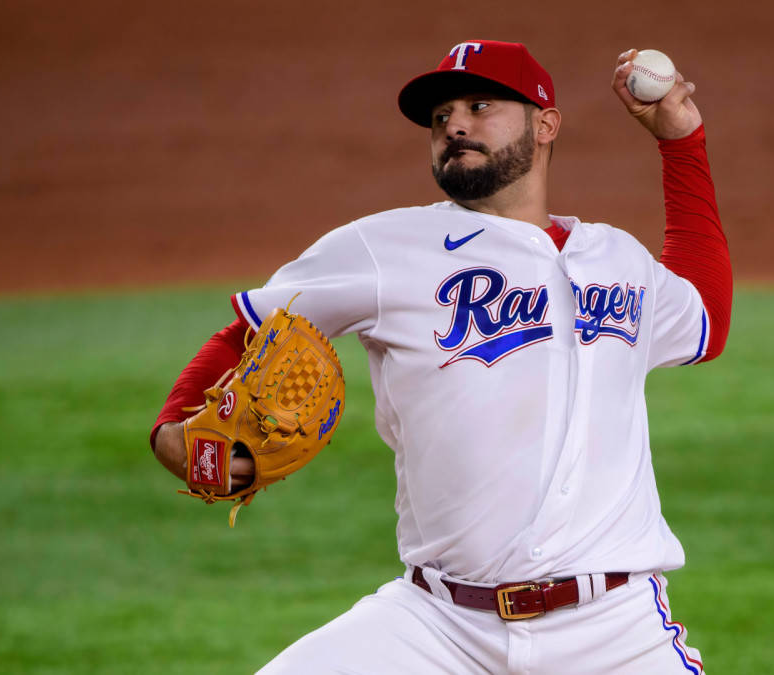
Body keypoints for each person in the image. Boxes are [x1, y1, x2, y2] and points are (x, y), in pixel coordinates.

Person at [152, 40, 730, 674]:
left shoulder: (617, 259)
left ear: (545, 124)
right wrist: (175, 433)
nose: (455, 125)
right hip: (437, 627)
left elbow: (706, 317)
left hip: (615, 634)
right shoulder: (385, 247)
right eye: (440, 117)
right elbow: (244, 333)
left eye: (480, 106)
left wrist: (681, 140)